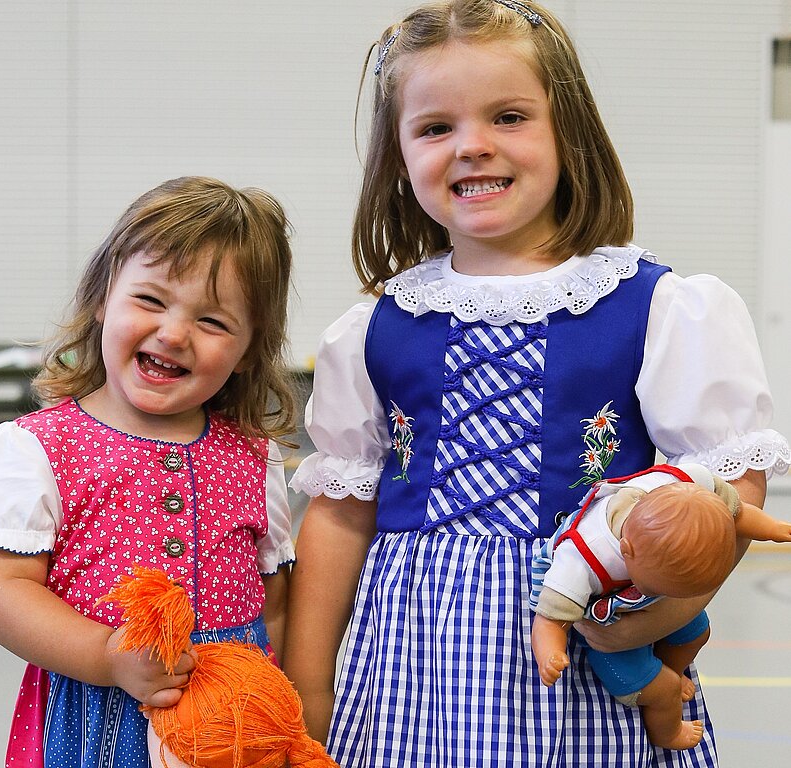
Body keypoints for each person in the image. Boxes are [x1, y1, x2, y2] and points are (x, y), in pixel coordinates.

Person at [283, 1, 791, 766]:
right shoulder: (373, 328)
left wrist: (649, 620)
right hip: (410, 674)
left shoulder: (657, 308)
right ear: (397, 155)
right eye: (434, 128)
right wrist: (309, 687)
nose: (472, 146)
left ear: (569, 133)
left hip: (589, 662)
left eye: (509, 116)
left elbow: (725, 494)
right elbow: (341, 515)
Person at [0, 176, 298, 768]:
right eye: (150, 301)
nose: (174, 333)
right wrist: (107, 655)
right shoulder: (35, 449)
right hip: (93, 718)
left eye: (213, 322)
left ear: (250, 348)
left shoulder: (257, 460)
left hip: (229, 724)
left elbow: (275, 602)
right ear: (105, 296)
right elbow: (2, 590)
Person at [529, 463, 791, 751]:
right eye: (658, 586)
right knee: (663, 689)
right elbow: (549, 619)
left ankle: (675, 671)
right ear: (627, 551)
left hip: (639, 599)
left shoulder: (685, 485)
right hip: (607, 633)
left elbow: (737, 512)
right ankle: (667, 733)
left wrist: (773, 528)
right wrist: (550, 653)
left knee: (698, 631)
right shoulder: (582, 560)